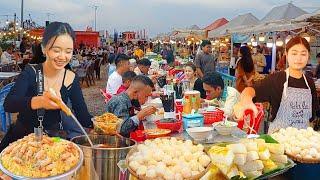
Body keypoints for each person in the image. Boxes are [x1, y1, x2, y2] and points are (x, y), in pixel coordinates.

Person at [0, 22, 93, 151]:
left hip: (52, 140)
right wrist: (39, 101)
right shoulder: (31, 72)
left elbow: (82, 113)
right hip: (22, 140)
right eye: (56, 50)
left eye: (68, 51)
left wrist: (99, 127)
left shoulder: (71, 78)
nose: (62, 57)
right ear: (44, 49)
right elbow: (9, 104)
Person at [234, 36, 319, 135]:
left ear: (308, 56)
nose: (298, 58)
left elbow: (311, 118)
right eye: (294, 53)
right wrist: (246, 100)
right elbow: (250, 90)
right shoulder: (276, 79)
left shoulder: (310, 83)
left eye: (303, 54)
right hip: (279, 140)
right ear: (286, 54)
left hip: (301, 142)